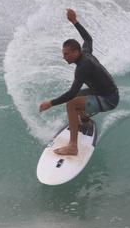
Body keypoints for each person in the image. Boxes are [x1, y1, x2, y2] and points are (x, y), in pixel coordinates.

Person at [39, 8, 119, 156]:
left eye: (66, 54)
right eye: (63, 54)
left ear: (76, 52)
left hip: (109, 99)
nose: (64, 57)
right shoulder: (85, 52)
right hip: (103, 92)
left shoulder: (83, 67)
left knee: (71, 103)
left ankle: (73, 147)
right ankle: (85, 120)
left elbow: (71, 94)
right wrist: (75, 22)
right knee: (76, 100)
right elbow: (88, 39)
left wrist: (50, 103)